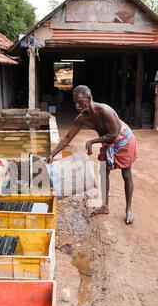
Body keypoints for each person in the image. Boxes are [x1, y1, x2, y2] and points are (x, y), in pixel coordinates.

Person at [46, 85, 138, 225]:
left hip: (123, 140)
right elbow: (67, 138)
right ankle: (105, 206)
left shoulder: (105, 111)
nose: (77, 105)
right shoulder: (81, 118)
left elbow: (113, 136)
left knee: (126, 174)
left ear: (89, 99)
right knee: (103, 172)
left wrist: (92, 141)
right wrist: (52, 154)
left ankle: (129, 209)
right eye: (75, 102)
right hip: (107, 141)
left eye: (81, 101)